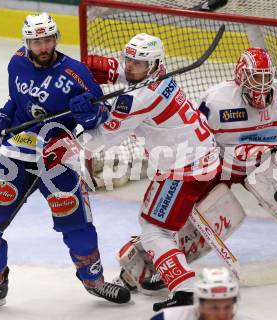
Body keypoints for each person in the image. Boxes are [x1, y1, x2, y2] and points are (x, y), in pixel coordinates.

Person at [111, 47, 277, 295]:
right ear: (240, 76)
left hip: (263, 165)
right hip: (217, 165)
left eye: (264, 76)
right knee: (192, 213)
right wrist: (229, 158)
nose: (261, 84)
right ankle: (144, 266)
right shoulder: (217, 101)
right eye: (254, 77)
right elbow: (196, 140)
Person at [0, 12, 130, 311]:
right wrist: (1, 117)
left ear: (56, 39)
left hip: (58, 156)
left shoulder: (75, 73)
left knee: (77, 226)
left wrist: (87, 113)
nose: (43, 46)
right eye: (37, 41)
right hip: (17, 154)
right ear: (27, 42)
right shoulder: (16, 63)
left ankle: (94, 280)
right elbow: (16, 101)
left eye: (48, 39)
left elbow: (100, 116)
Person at [69, 33, 222, 311]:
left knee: (154, 231)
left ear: (154, 65)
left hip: (184, 169)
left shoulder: (139, 99)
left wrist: (68, 142)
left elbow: (102, 139)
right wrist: (108, 69)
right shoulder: (157, 76)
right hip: (199, 160)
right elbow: (126, 76)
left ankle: (184, 289)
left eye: (137, 63)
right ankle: (168, 271)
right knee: (160, 225)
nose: (129, 67)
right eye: (128, 60)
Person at [150, 267, 249, 320]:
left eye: (227, 307)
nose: (221, 315)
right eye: (214, 308)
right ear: (199, 305)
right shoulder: (166, 318)